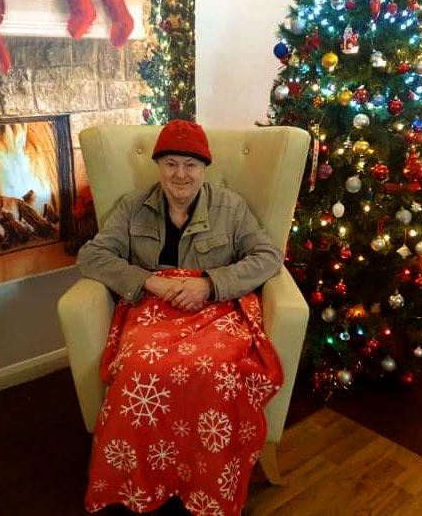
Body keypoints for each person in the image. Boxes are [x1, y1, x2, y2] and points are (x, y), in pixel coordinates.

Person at [77, 120, 284, 515]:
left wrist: (211, 284)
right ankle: (139, 481)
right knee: (137, 369)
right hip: (152, 308)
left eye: (190, 165)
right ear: (158, 166)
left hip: (213, 310)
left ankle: (205, 481)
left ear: (204, 168)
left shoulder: (231, 207)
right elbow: (91, 256)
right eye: (171, 163)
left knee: (220, 372)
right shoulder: (132, 206)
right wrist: (148, 281)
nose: (180, 174)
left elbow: (268, 256)